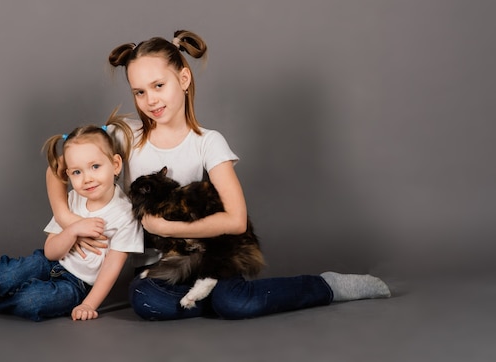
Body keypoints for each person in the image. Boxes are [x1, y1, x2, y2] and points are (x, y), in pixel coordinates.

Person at [46, 30, 391, 321]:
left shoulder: (207, 143)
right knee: (145, 300)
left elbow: (237, 220)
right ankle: (211, 297)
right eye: (139, 92)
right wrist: (66, 218)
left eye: (158, 85)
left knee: (237, 303)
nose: (150, 100)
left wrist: (167, 228)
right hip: (162, 267)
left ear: (183, 79)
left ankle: (326, 285)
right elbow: (57, 167)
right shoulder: (125, 135)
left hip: (208, 254)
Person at [0, 112, 144, 321]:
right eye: (77, 172)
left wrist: (88, 304)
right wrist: (73, 230)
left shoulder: (124, 215)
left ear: (115, 164)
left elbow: (111, 268)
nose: (87, 179)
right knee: (6, 273)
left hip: (77, 284)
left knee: (34, 300)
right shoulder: (74, 199)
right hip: (47, 262)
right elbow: (50, 252)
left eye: (95, 167)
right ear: (68, 175)